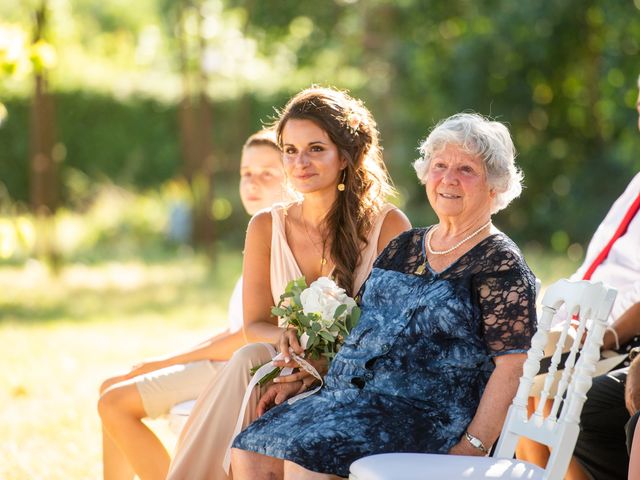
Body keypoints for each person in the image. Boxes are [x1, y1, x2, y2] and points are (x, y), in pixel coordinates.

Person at [230, 112, 538, 480]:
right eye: (439, 165)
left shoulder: (499, 262)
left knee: (307, 456)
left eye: (466, 170)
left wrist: (472, 445)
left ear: (495, 185)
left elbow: (513, 367)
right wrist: (313, 376)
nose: (448, 179)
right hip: (357, 398)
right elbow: (366, 334)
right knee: (250, 448)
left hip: (429, 415)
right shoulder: (406, 247)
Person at [166, 86, 411, 480]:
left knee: (251, 362)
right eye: (290, 150)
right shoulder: (266, 225)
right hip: (284, 365)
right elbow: (254, 325)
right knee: (251, 357)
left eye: (316, 148)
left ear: (345, 156)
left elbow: (395, 335)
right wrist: (284, 339)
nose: (300, 162)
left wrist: (320, 365)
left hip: (355, 379)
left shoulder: (389, 226)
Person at [97, 128, 290, 480]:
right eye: (246, 173)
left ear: (291, 179)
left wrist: (165, 362)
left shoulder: (285, 243)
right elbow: (235, 326)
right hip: (224, 361)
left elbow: (248, 337)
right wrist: (175, 357)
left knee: (114, 401)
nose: (252, 183)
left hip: (239, 371)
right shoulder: (260, 232)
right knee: (110, 388)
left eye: (267, 174)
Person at [516, 77, 640, 480]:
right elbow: (599, 264)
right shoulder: (637, 183)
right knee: (508, 366)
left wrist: (607, 337)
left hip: (615, 334)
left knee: (536, 388)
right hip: (582, 319)